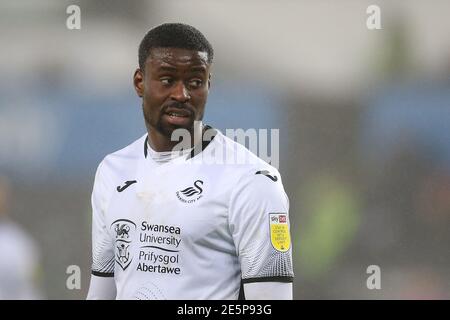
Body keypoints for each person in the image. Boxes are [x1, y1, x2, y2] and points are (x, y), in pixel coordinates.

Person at [87, 23, 293, 300]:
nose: (181, 94)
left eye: (195, 82)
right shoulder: (112, 171)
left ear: (208, 85)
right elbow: (101, 293)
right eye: (167, 80)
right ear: (140, 82)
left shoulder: (252, 180)